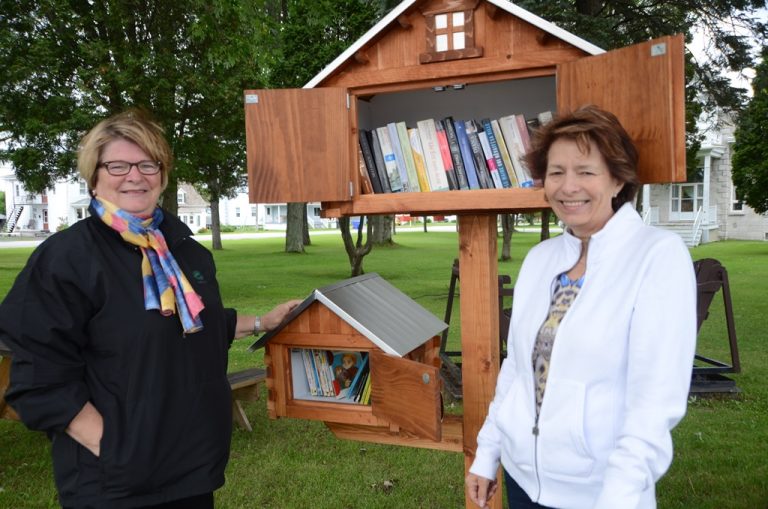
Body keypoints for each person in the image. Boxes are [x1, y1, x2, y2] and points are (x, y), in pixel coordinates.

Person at [0, 109, 301, 509]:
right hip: (115, 484)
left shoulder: (182, 249)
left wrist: (265, 321)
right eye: (118, 165)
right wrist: (109, 445)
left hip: (192, 467)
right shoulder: (67, 258)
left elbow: (193, 323)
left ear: (162, 174)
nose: (135, 176)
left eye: (147, 163)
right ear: (94, 176)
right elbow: (35, 369)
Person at [465, 105, 697, 509]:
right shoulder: (540, 259)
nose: (568, 187)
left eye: (585, 171)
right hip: (522, 481)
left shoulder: (657, 256)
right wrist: (488, 454)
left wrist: (618, 498)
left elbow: (654, 401)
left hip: (600, 493)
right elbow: (518, 369)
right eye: (556, 172)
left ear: (617, 178)